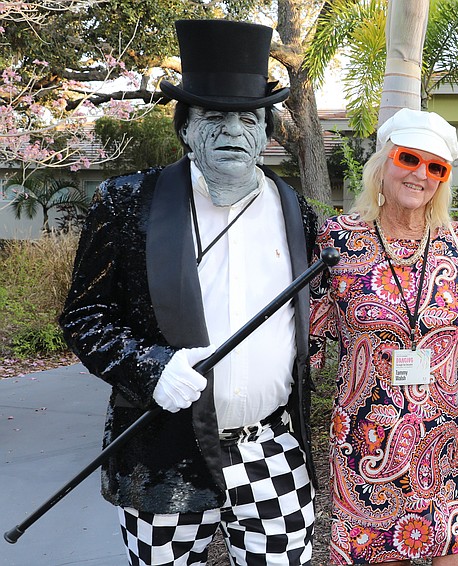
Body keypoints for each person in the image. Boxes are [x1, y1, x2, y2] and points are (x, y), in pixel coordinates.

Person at [60, 19, 318, 566]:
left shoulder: (296, 213)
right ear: (186, 128)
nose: (232, 131)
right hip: (163, 453)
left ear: (267, 132)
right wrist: (151, 367)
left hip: (269, 448)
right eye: (213, 117)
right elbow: (85, 316)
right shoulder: (128, 203)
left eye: (247, 118)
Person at [309, 108, 458, 565]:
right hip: (366, 446)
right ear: (383, 163)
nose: (420, 174)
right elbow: (307, 338)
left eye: (435, 167)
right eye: (409, 158)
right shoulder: (338, 239)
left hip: (447, 443)